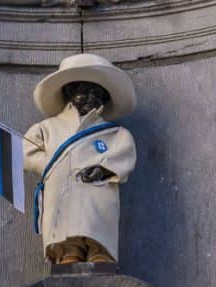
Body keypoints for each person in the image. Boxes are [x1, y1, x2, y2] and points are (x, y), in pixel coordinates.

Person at [24, 54, 137, 265]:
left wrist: (104, 169)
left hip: (98, 189)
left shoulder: (114, 133)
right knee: (65, 223)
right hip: (60, 189)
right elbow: (28, 150)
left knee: (97, 219)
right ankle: (69, 250)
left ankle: (99, 249)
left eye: (97, 92)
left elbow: (124, 154)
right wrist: (53, 167)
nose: (90, 97)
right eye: (84, 91)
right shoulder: (48, 127)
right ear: (70, 92)